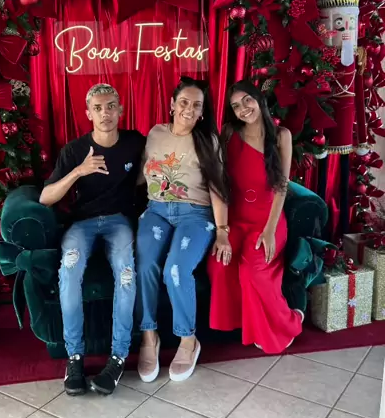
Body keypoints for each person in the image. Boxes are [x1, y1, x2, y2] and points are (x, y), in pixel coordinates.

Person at [40, 84, 145, 396]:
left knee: (126, 272)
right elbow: (46, 197)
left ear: (120, 110)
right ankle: (74, 357)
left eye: (111, 106)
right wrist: (79, 171)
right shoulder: (74, 150)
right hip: (82, 224)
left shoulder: (135, 142)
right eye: (97, 108)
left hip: (118, 222)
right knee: (70, 270)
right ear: (88, 114)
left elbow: (152, 169)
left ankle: (118, 357)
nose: (105, 113)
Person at [136, 77, 229, 383]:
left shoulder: (208, 141)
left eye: (196, 105)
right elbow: (141, 175)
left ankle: (188, 339)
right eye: (184, 102)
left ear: (202, 112)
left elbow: (218, 188)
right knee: (144, 265)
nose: (189, 109)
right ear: (172, 104)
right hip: (156, 211)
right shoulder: (156, 133)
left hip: (195, 215)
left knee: (175, 270)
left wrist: (222, 231)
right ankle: (149, 336)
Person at [207, 79, 303, 354]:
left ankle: (292, 321)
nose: (243, 109)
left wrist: (270, 230)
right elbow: (218, 180)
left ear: (259, 99)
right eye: (236, 106)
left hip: (267, 220)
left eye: (247, 100)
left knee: (254, 272)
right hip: (236, 220)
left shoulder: (282, 136)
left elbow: (281, 186)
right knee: (219, 264)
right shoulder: (229, 133)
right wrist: (222, 229)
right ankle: (246, 324)